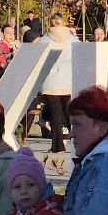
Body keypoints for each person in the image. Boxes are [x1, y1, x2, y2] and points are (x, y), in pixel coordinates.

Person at [36, 14, 77, 153]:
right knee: (70, 113)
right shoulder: (73, 40)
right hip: (68, 81)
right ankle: (77, 141)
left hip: (50, 82)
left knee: (55, 115)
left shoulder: (43, 41)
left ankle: (57, 146)